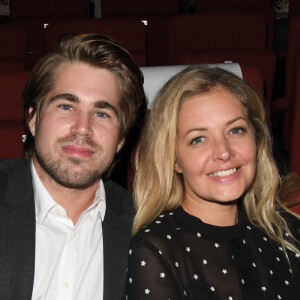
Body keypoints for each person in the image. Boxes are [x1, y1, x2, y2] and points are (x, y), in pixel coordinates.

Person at [126, 65, 300, 299]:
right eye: (198, 139)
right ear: (174, 159)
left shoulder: (287, 230)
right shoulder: (156, 249)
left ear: (256, 139)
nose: (224, 152)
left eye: (235, 130)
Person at [0, 33, 144, 300]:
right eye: (66, 106)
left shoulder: (142, 228)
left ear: (121, 139)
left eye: (102, 113)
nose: (82, 128)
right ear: (33, 119)